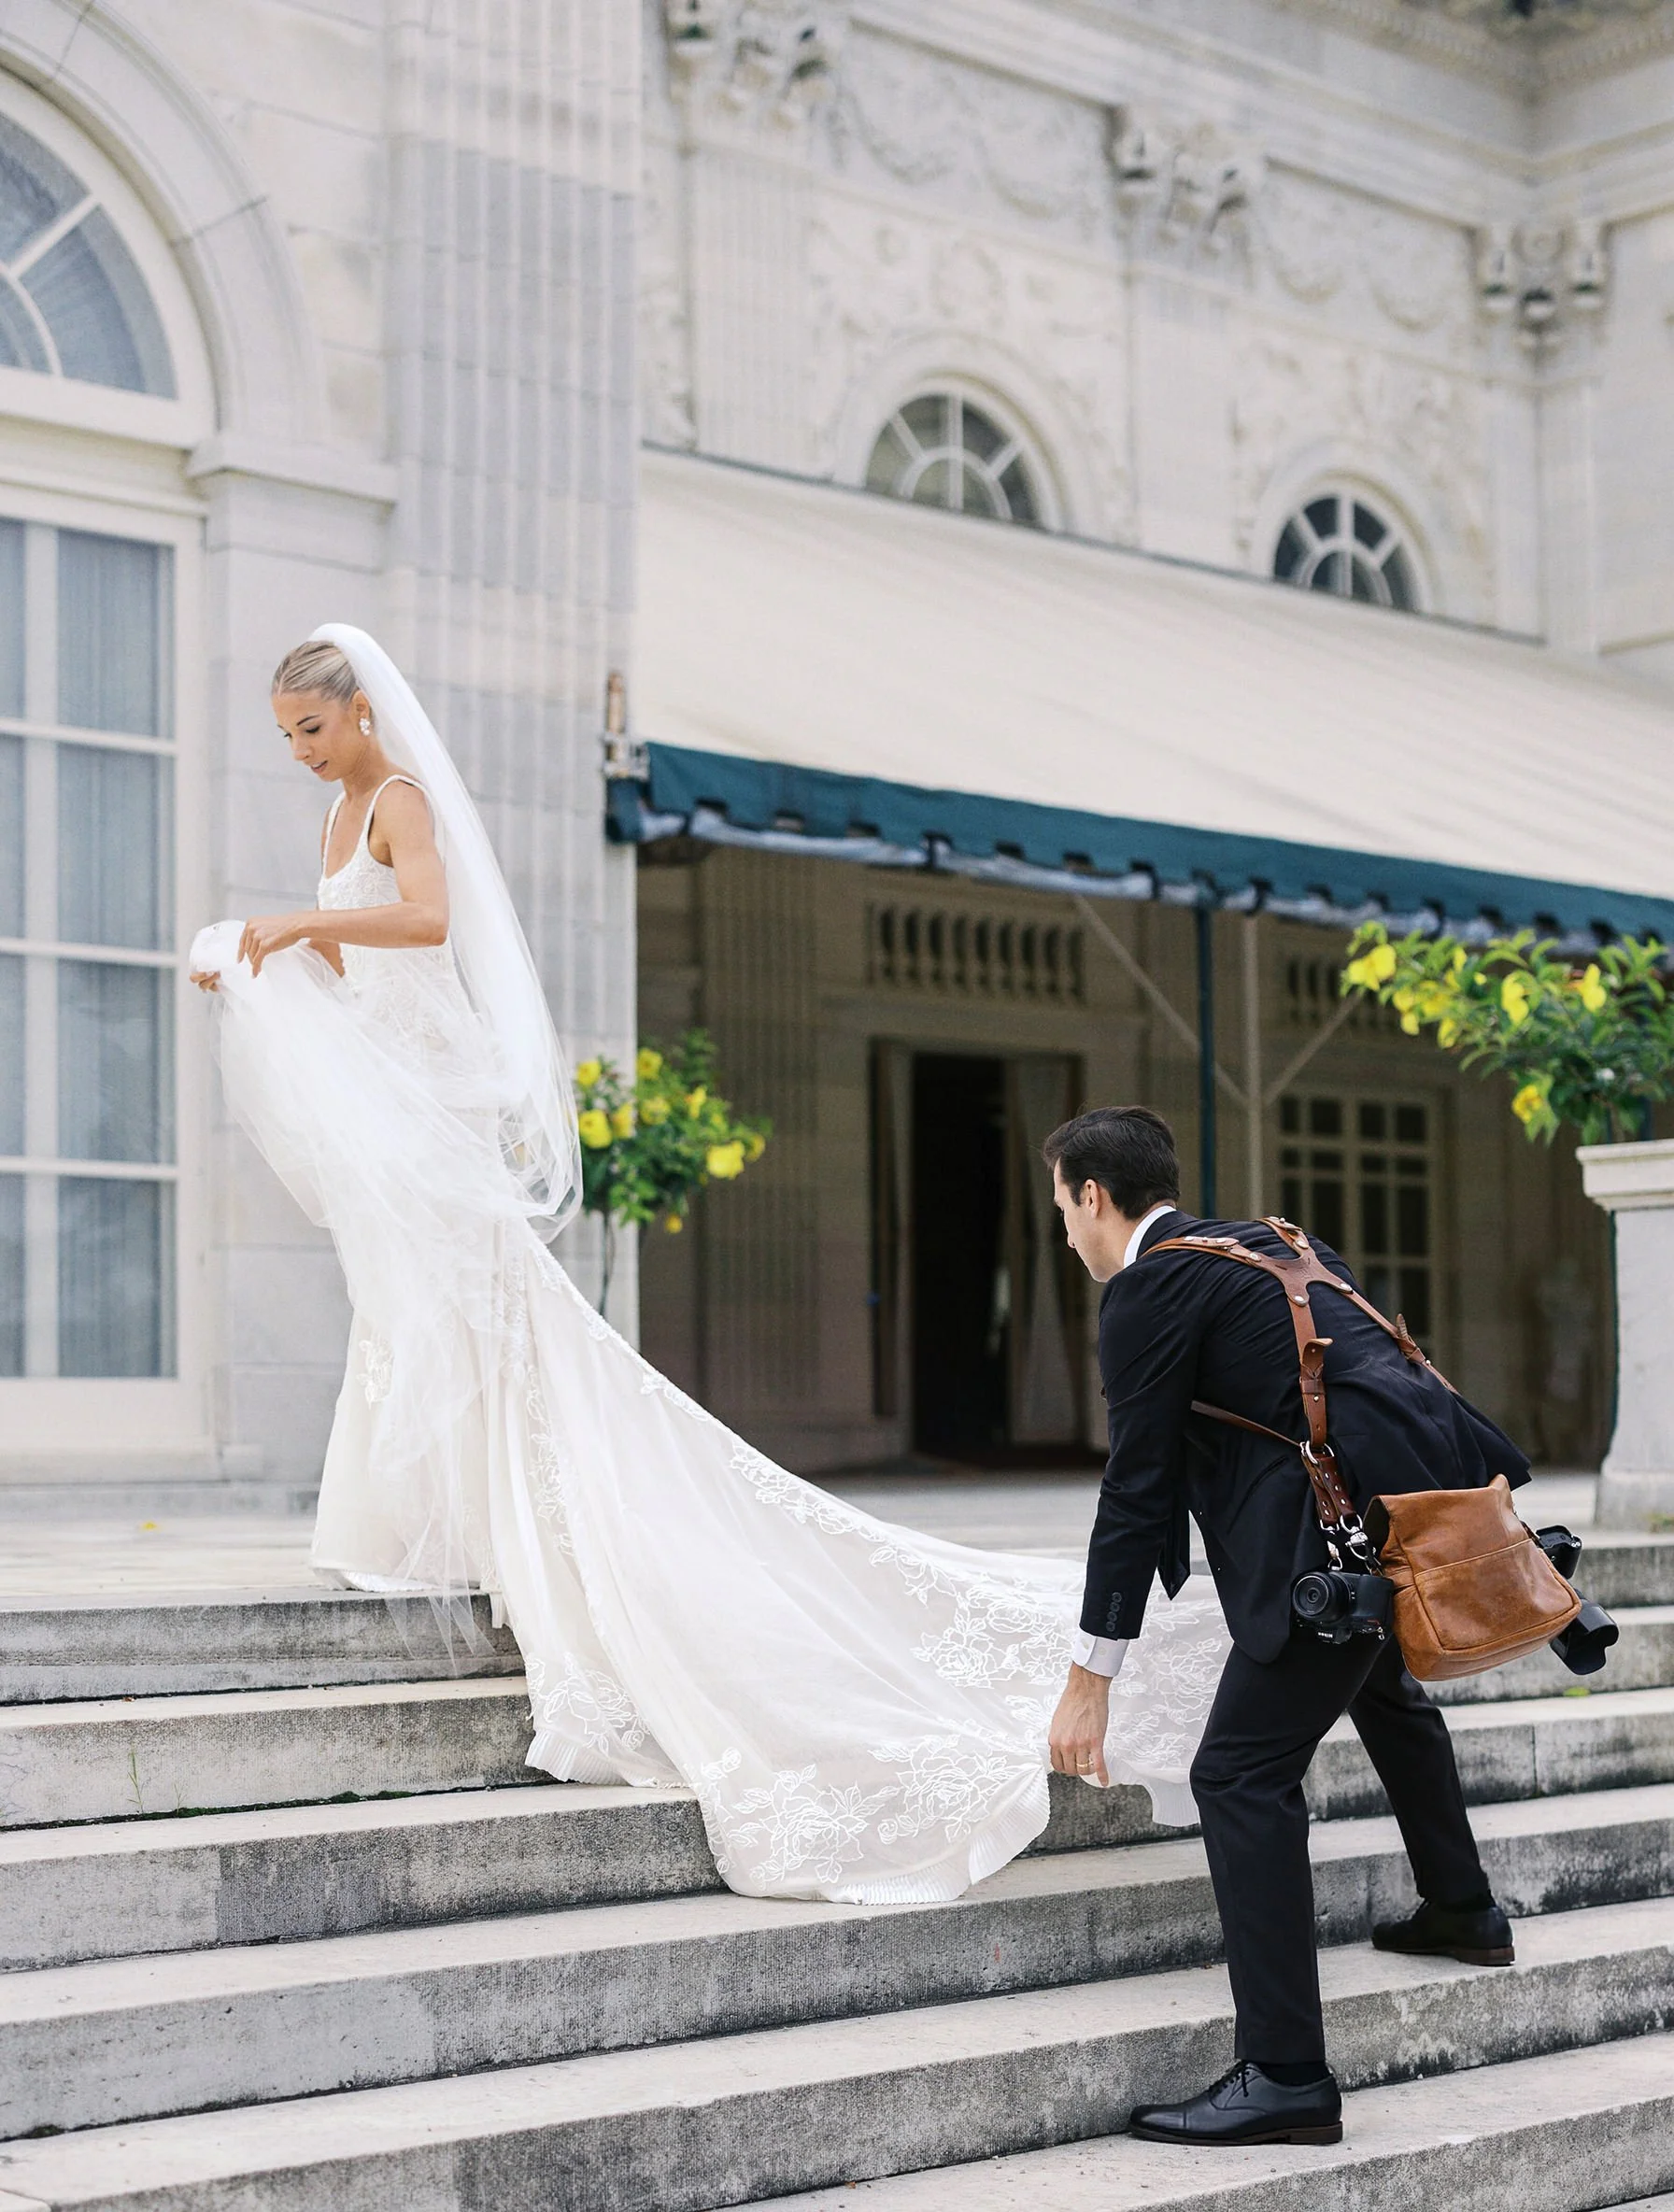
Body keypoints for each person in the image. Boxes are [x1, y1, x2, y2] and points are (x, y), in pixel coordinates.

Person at [189, 625, 1231, 1907]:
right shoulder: (341, 811)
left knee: (478, 1308)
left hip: (443, 1093)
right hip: (401, 1089)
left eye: (312, 729)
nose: (300, 752)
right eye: (285, 735)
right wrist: (277, 980)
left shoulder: (399, 799)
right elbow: (355, 953)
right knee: (409, 1304)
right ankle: (411, 1521)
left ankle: (481, 1521)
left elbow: (430, 921)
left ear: (357, 713)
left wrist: (285, 929)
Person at [1043, 1105, 1522, 2148]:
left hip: (1327, 1553)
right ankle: (1463, 1910)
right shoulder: (1274, 1244)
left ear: (1092, 1194)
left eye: (1063, 1210)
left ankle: (1287, 2076)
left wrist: (1092, 1671)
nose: (1067, 1236)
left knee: (1238, 1775)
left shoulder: (1147, 1286)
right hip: (1399, 1520)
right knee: (1383, 1684)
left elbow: (1134, 1487)